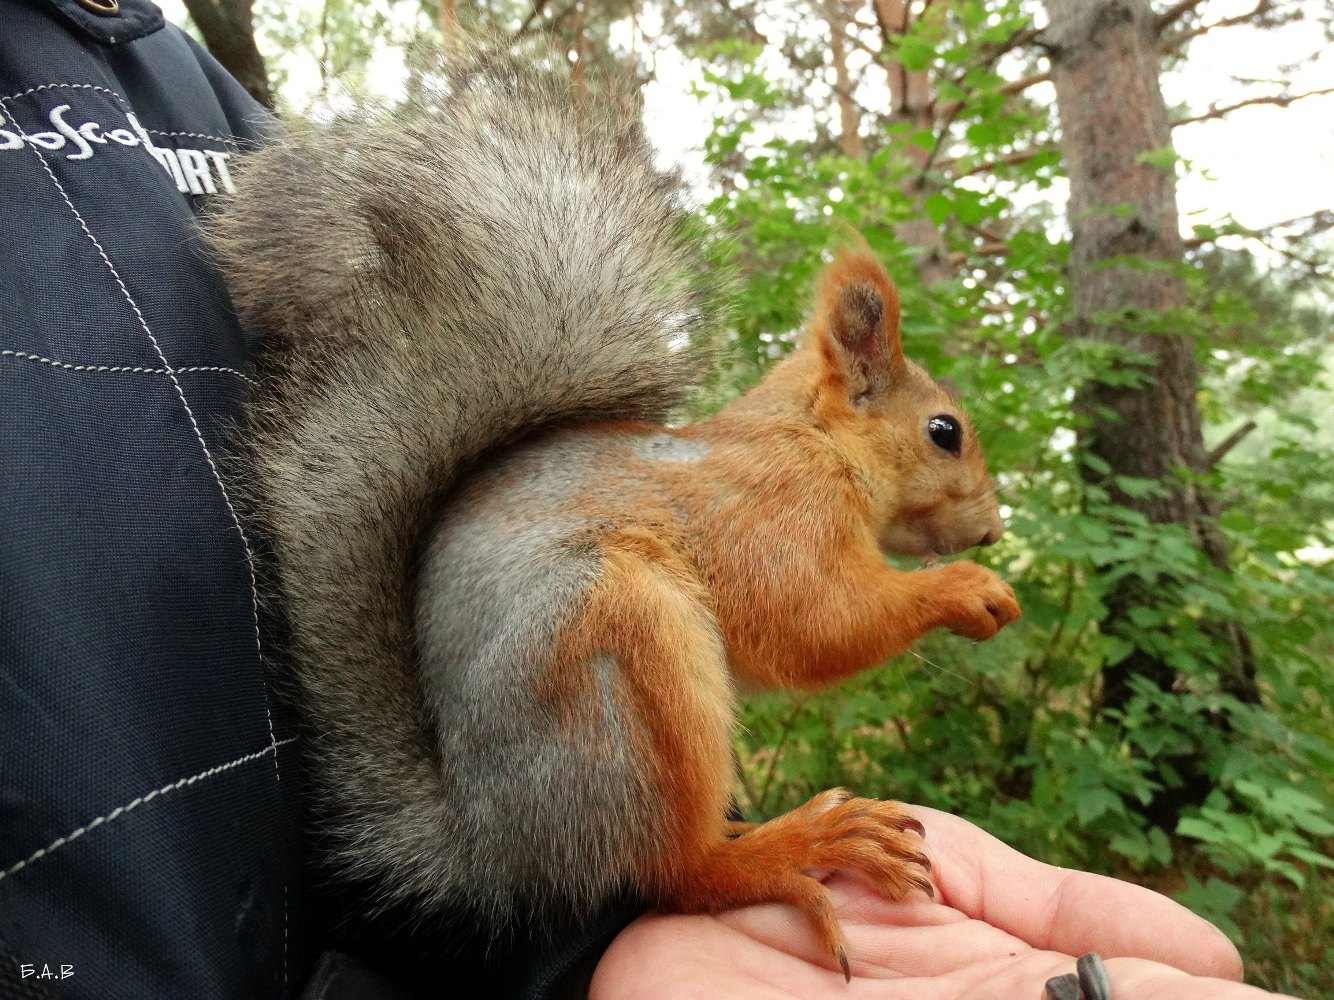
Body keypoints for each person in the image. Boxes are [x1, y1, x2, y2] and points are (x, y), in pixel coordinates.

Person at [0, 2, 1294, 998]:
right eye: (944, 444)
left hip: (475, 847)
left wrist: (568, 959)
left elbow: (757, 651)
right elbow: (799, 635)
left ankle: (683, 863)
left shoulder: (176, 77)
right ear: (851, 382)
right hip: (509, 732)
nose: (966, 486)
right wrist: (933, 598)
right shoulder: (785, 471)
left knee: (643, 607)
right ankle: (704, 861)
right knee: (627, 600)